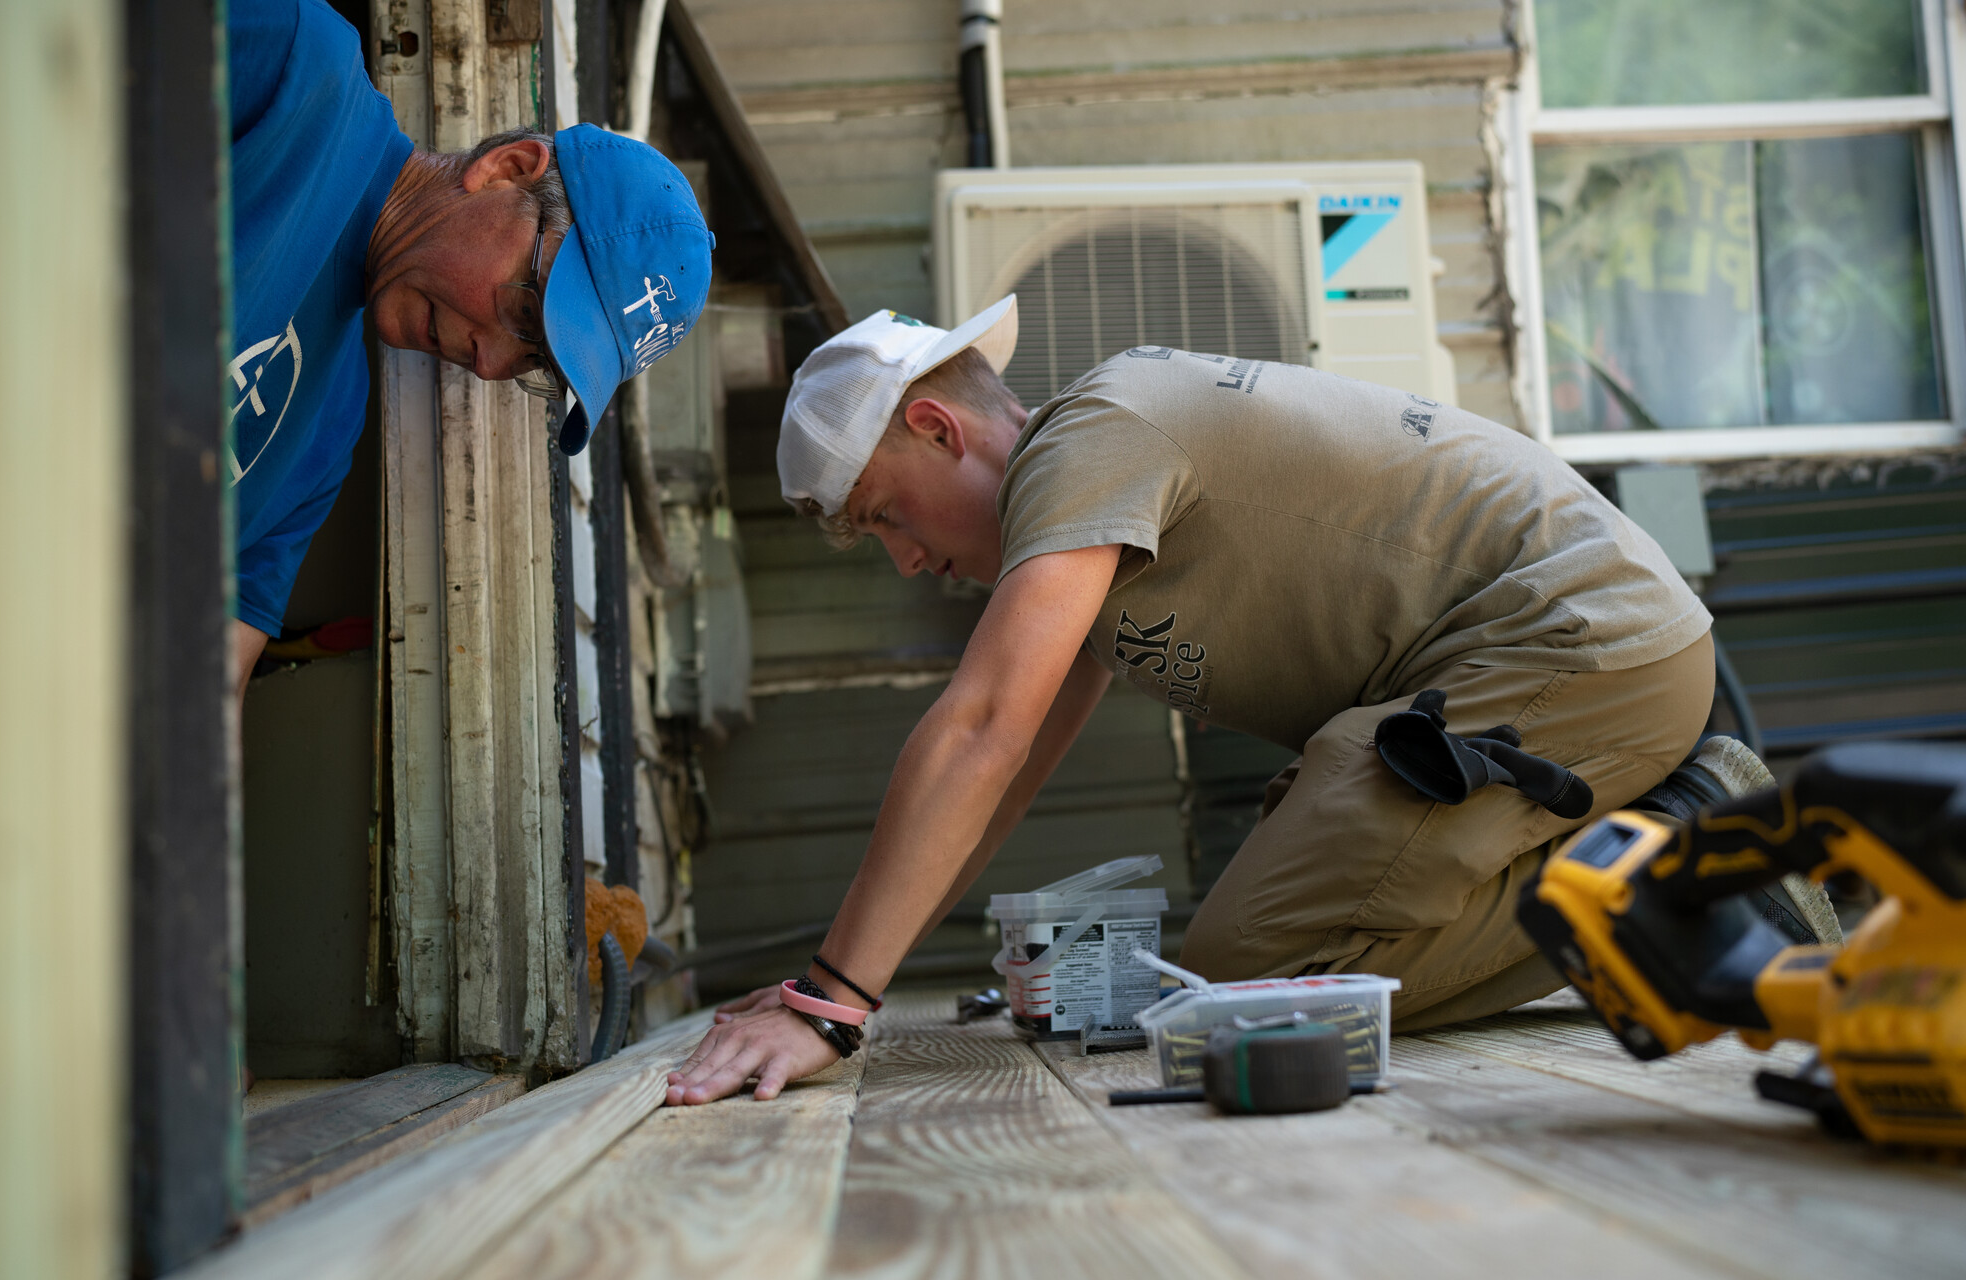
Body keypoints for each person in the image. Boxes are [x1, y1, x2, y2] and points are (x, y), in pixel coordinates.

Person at [663, 294, 1757, 1107]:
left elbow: (978, 729)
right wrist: (835, 987)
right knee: (1247, 967)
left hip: (1583, 637)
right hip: (1517, 681)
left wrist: (831, 1001)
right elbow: (999, 777)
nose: (904, 560)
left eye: (885, 516)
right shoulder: (1087, 516)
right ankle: (1639, 865)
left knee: (1241, 979)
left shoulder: (1092, 438)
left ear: (940, 431)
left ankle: (1668, 855)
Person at [225, 0, 713, 694]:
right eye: (525, 309)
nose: (488, 362)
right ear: (509, 168)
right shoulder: (297, 66)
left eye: (533, 365)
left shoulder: (328, 433)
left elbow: (212, 679)